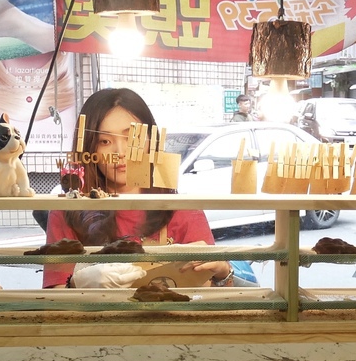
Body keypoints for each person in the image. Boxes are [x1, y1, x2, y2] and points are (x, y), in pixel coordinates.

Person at [43, 88, 234, 289]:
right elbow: (53, 300)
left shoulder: (181, 209)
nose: (120, 152)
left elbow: (213, 295)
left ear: (151, 141)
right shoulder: (67, 212)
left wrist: (222, 271)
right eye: (105, 141)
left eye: (132, 138)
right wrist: (77, 284)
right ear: (89, 148)